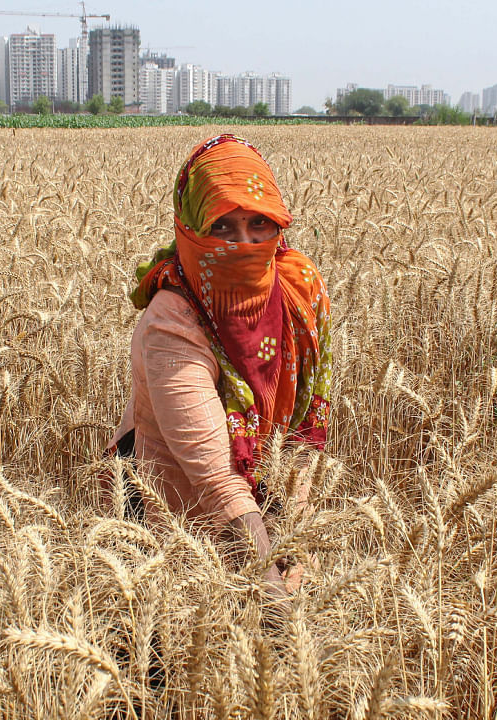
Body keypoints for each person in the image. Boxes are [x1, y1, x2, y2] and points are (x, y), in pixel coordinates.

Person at [108, 134, 332, 602]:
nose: (245, 244)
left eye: (258, 224)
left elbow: (304, 436)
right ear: (190, 229)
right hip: (166, 521)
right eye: (224, 228)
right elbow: (215, 478)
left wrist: (293, 535)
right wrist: (275, 603)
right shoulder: (171, 320)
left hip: (255, 514)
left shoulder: (298, 292)